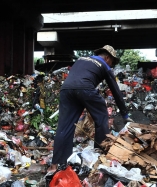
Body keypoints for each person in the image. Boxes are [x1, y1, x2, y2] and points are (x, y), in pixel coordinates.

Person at [48, 45, 130, 173]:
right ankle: (100, 155)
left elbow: (75, 77)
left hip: (66, 90)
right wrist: (125, 114)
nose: (112, 64)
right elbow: (116, 91)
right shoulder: (104, 65)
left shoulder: (80, 60)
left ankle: (55, 165)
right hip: (86, 89)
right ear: (107, 57)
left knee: (64, 126)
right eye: (112, 61)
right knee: (102, 116)